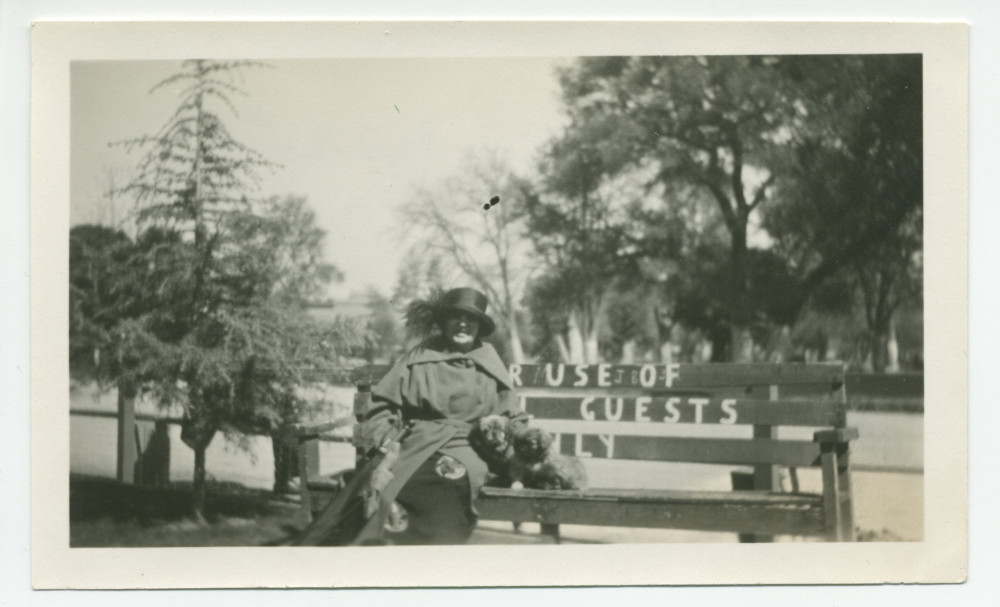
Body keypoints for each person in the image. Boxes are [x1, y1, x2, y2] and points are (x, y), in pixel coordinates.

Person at [296, 287, 526, 546]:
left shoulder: (490, 365)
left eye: (470, 318)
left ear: (479, 326)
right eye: (456, 316)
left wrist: (522, 449)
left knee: (444, 493)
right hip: (414, 444)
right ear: (444, 322)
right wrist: (386, 439)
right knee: (381, 489)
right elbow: (382, 405)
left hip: (467, 448)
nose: (463, 323)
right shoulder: (420, 356)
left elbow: (514, 418)